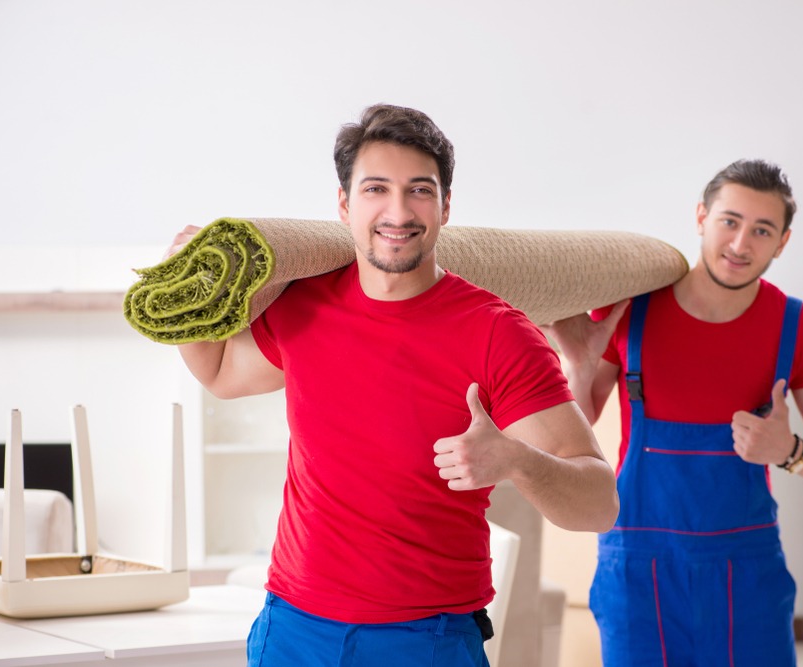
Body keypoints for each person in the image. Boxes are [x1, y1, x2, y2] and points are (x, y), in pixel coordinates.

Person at [166, 103, 619, 667]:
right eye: (376, 188)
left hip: (423, 642)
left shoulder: (497, 334)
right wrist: (184, 281)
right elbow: (217, 373)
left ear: (446, 206)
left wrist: (515, 461)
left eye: (420, 190)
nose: (398, 211)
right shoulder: (305, 303)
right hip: (292, 629)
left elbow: (599, 503)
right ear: (344, 204)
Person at [543, 159, 803, 667]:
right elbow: (568, 436)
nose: (740, 244)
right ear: (701, 217)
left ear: (782, 242)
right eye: (730, 221)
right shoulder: (629, 312)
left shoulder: (799, 330)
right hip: (637, 571)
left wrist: (790, 451)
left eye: (761, 230)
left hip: (748, 573)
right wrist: (578, 365)